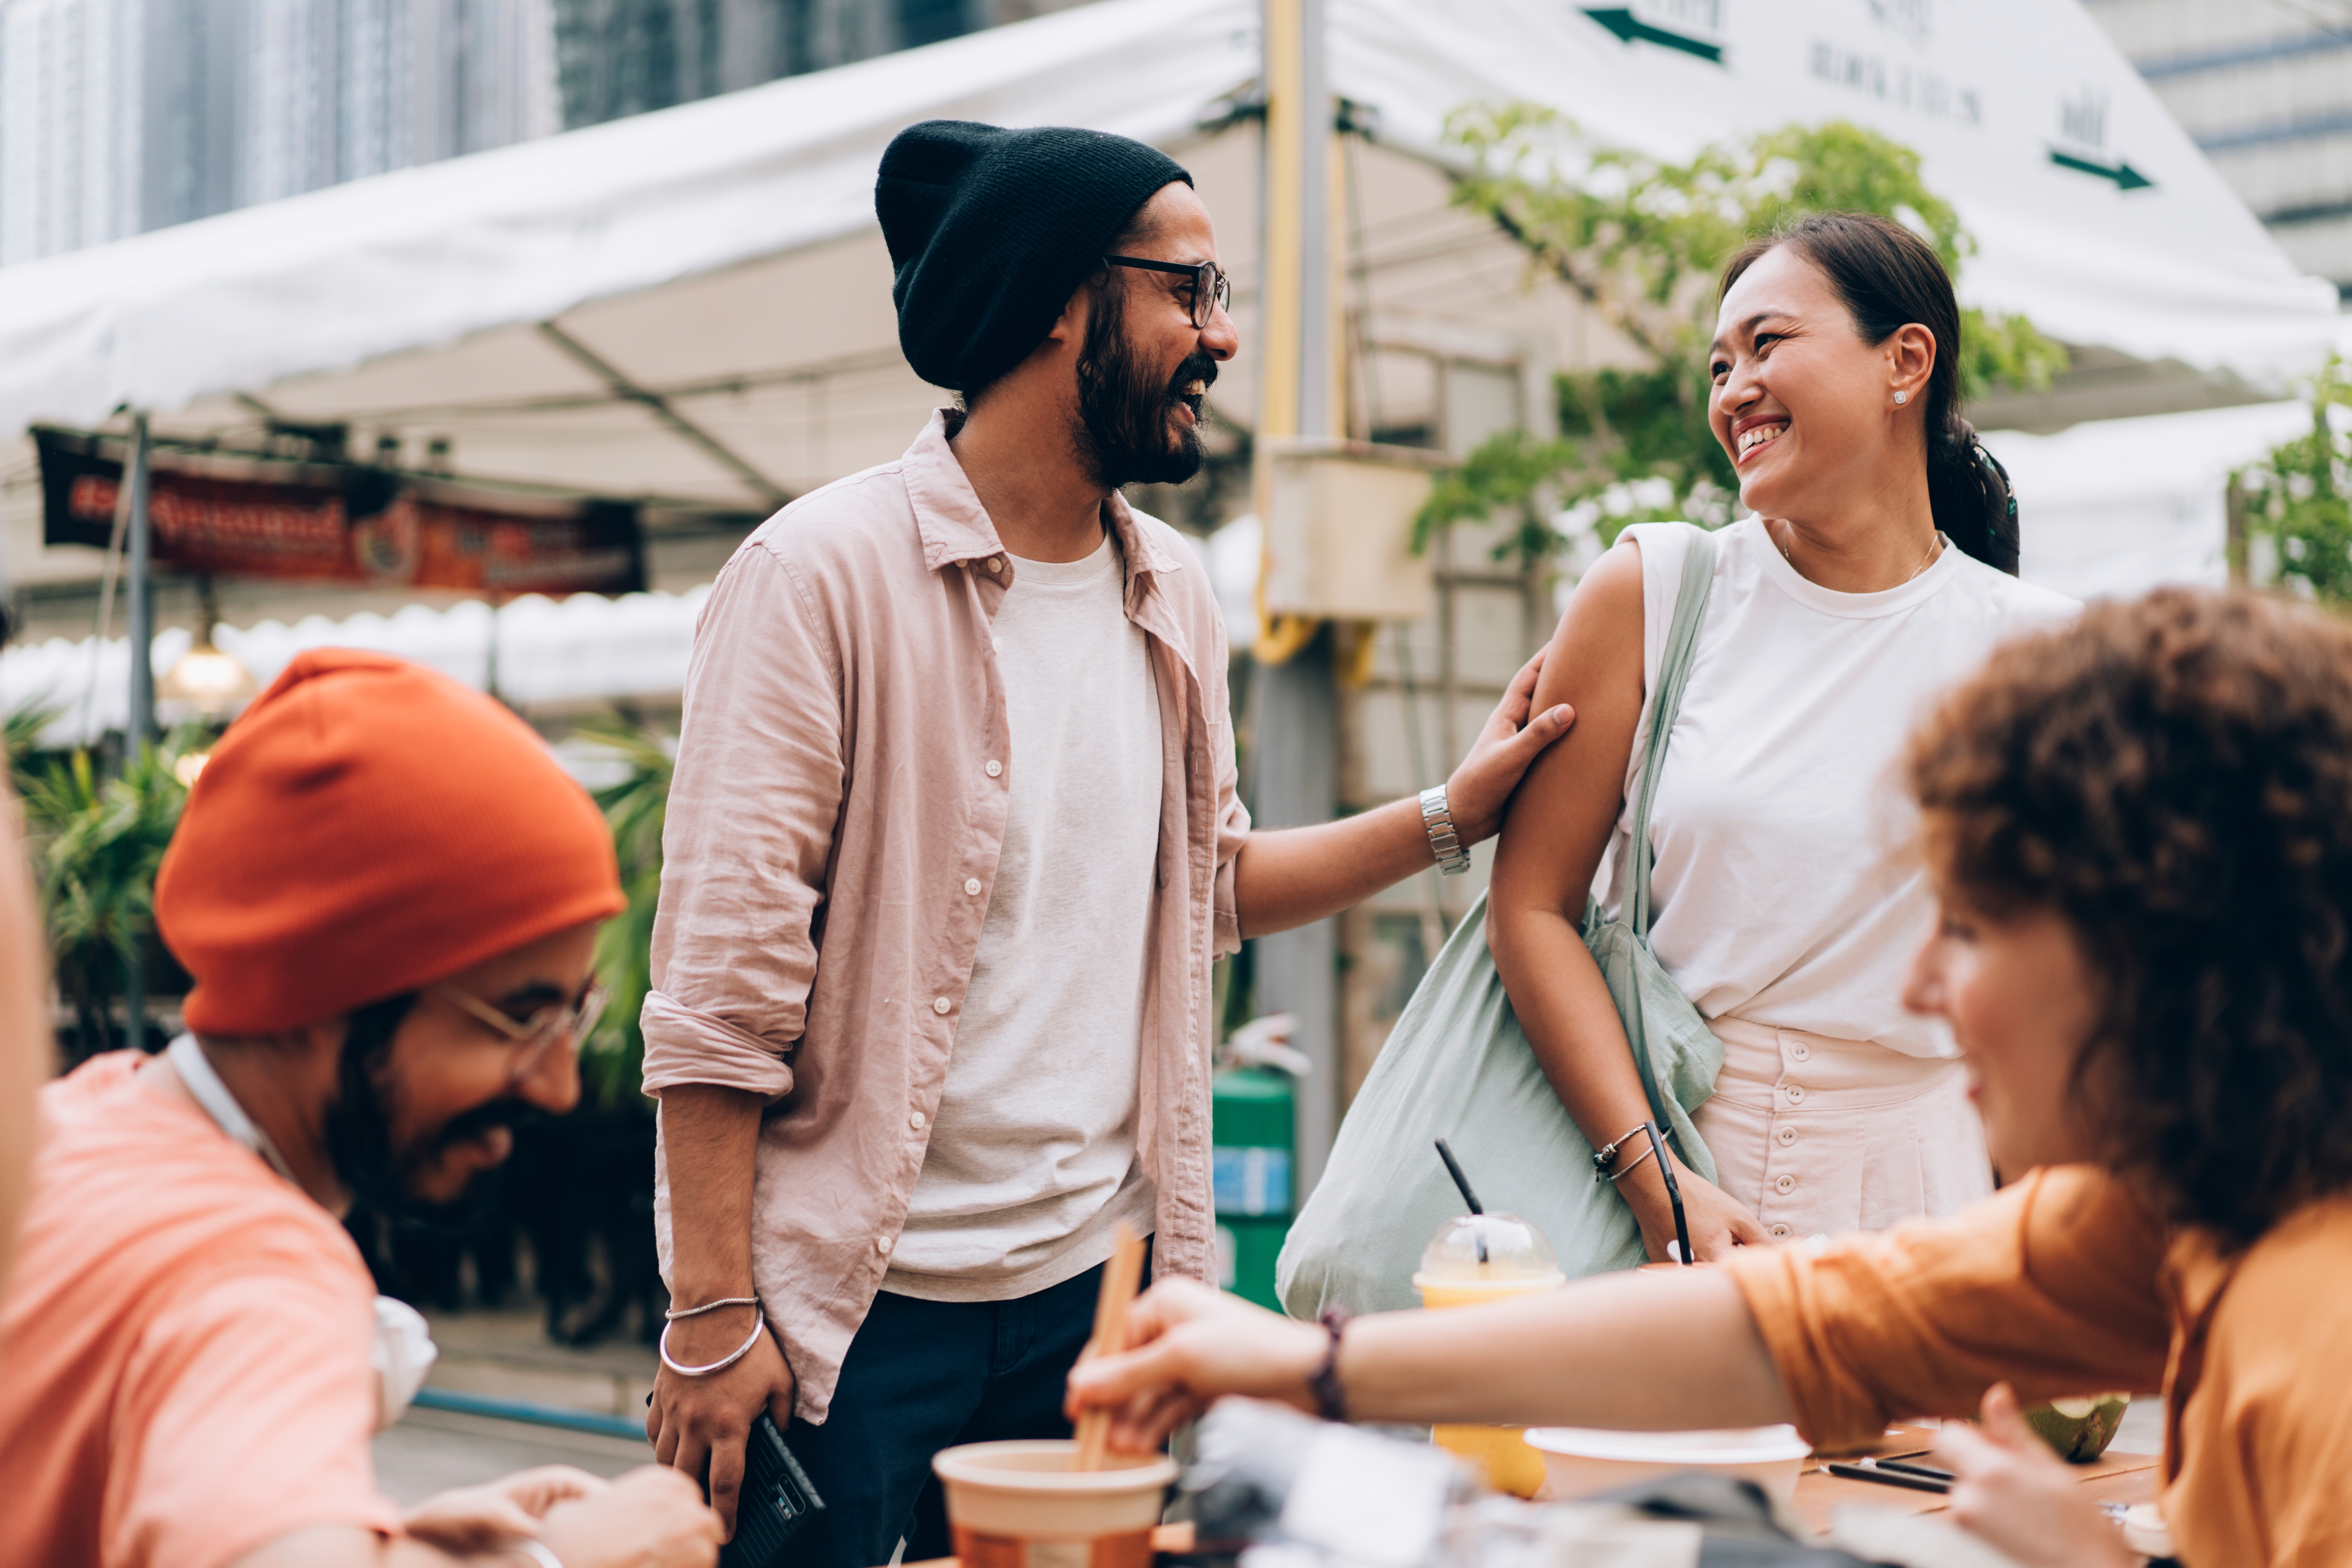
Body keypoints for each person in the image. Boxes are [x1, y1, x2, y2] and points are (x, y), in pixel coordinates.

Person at [640, 118, 1576, 1566]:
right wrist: (708, 1317)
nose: (1226, 336)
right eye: (1190, 292)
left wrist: (1450, 816)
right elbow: (719, 992)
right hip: (852, 1320)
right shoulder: (817, 578)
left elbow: (1205, 890)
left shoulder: (1176, 594)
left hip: (1096, 1295)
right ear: (1063, 302)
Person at [1070, 588, 2352, 1568]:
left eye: (1965, 930)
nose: (1920, 992)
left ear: (2148, 947)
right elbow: (1795, 1325)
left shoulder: (2321, 1346)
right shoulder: (2179, 1212)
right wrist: (1311, 1369)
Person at [0, 649, 722, 1568]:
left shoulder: (86, 1120)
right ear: (328, 984)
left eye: (571, 1016)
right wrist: (559, 1562)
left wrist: (395, 1542)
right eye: (521, 1017)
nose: (560, 1086)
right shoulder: (251, 1269)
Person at [1486, 211, 2073, 1263]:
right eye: (1718, 366)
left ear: (1906, 361)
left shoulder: (2041, 650)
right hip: (1683, 1173)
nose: (1732, 391)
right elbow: (1530, 909)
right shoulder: (1653, 590)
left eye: (1767, 344)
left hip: (1937, 1192)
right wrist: (1655, 1179)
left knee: (1925, 1437)